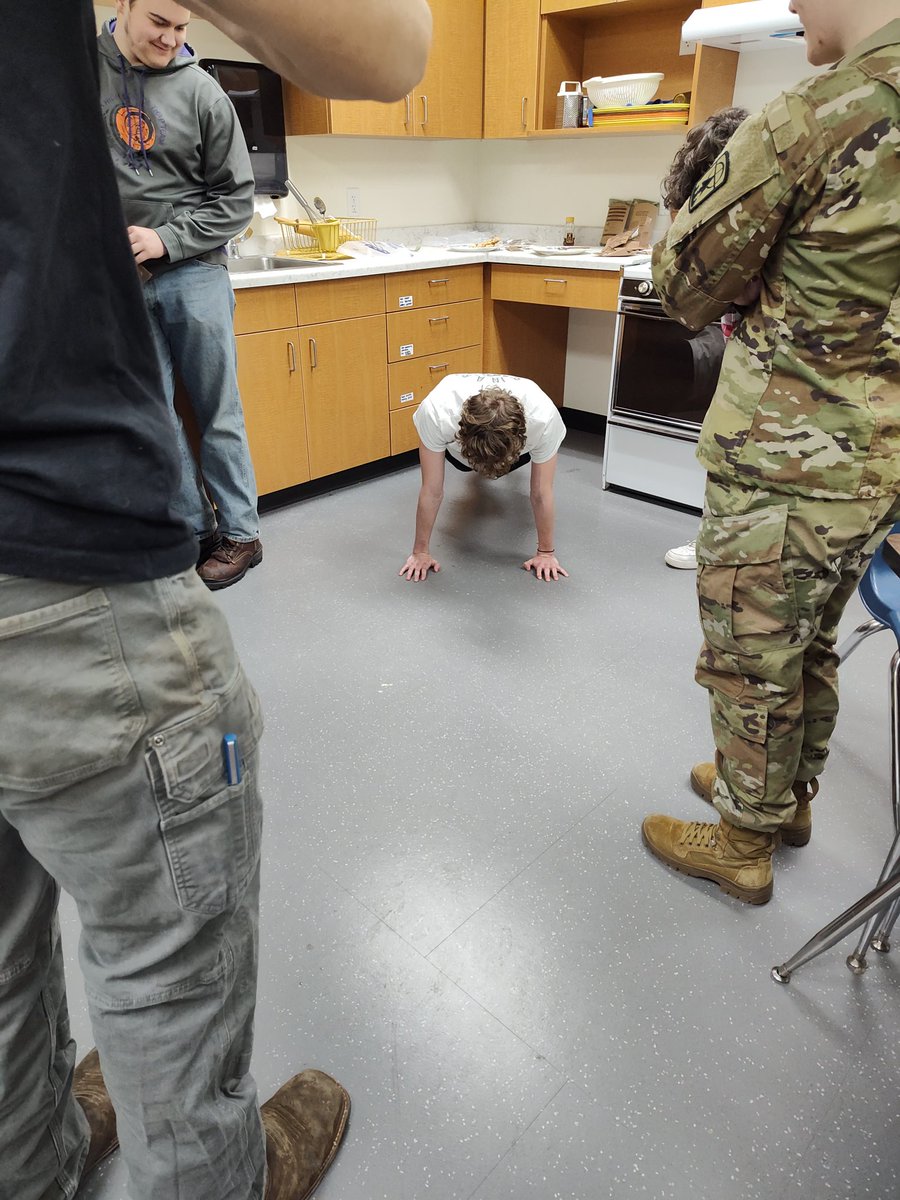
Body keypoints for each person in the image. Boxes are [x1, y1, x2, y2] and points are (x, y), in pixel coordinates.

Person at [0, 2, 430, 1199]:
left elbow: (234, 193)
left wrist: (163, 239)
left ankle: (31, 1157)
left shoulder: (191, 94)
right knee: (163, 965)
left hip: (167, 295)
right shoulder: (82, 62)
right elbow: (389, 51)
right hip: (57, 551)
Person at [641, 0, 900, 906]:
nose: (791, 6)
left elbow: (679, 282)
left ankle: (744, 841)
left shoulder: (816, 114)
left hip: (783, 460)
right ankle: (785, 798)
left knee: (751, 654)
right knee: (813, 639)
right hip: (875, 461)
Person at [97, 0, 264, 590]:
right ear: (122, 7)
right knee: (156, 412)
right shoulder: (79, 74)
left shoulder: (203, 94)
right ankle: (195, 532)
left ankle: (242, 533)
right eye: (158, 23)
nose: (170, 39)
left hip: (194, 272)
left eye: (182, 27)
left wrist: (166, 238)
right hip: (117, 280)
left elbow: (236, 199)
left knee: (217, 409)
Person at [657, 106, 749, 573]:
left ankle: (719, 547)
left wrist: (680, 225)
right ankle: (718, 539)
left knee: (733, 455)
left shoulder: (737, 210)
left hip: (774, 373)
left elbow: (681, 296)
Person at [399, 373, 569, 583]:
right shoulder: (436, 412)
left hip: (515, 447)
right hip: (460, 452)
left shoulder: (544, 418)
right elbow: (432, 490)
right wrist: (420, 552)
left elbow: (541, 493)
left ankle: (500, 462)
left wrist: (546, 553)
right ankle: (476, 465)